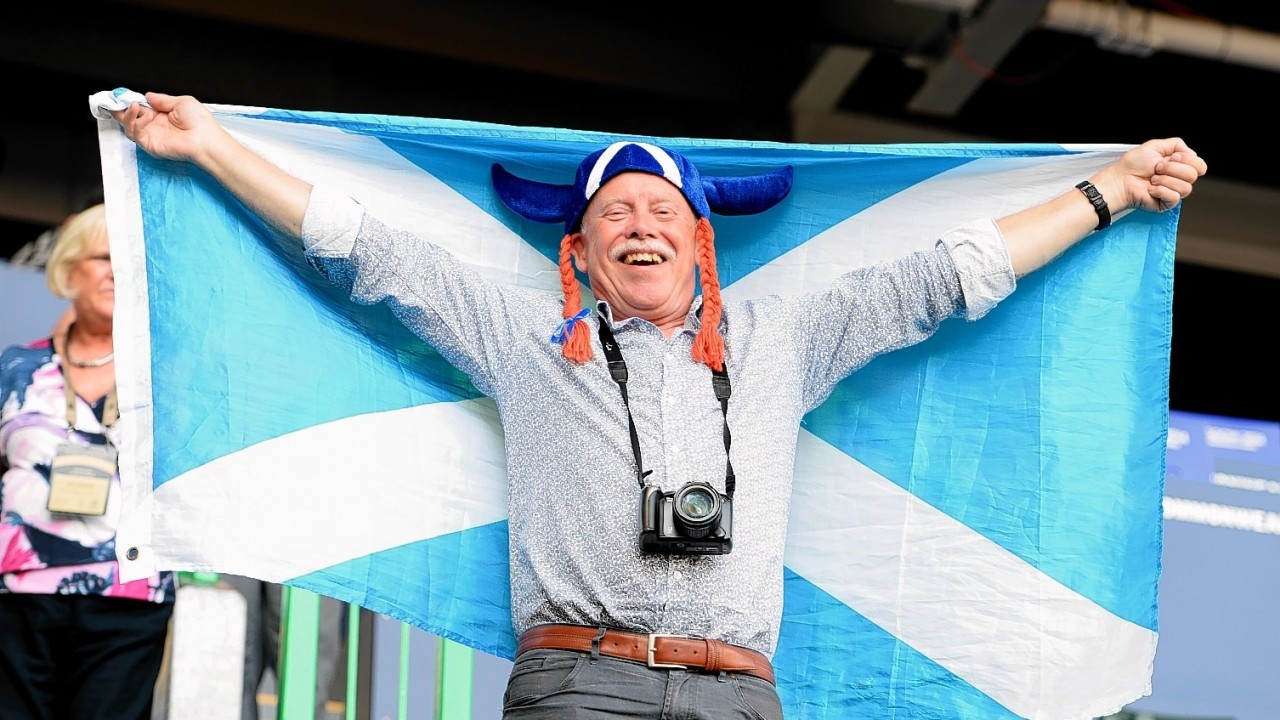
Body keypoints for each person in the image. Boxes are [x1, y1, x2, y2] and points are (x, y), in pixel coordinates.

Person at [107, 91, 1207, 720]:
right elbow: (364, 246)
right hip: (578, 684)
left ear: (699, 237)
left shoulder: (784, 340)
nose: (640, 223)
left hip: (736, 696)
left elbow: (946, 272)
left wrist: (1107, 190)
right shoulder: (527, 339)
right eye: (614, 211)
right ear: (578, 248)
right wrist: (209, 146)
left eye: (660, 208)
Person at [0, 203, 177, 720]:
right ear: (69, 269)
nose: (118, 272)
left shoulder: (166, 371)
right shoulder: (18, 366)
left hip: (129, 590)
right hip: (21, 589)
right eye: (105, 258)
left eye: (130, 261)